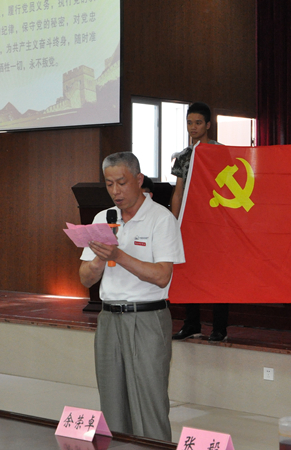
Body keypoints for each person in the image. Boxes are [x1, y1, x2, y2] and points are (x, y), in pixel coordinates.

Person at [79, 152, 184, 441]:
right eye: (109, 184)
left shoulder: (161, 219)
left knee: (149, 404)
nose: (116, 191)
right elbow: (85, 278)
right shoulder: (102, 219)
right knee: (111, 402)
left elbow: (162, 276)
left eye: (122, 183)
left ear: (138, 180)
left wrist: (119, 255)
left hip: (147, 318)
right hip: (109, 319)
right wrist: (100, 259)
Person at [170, 101, 229, 342]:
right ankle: (191, 324)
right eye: (189, 123)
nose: (193, 127)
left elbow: (229, 188)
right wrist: (174, 222)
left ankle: (219, 328)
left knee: (218, 274)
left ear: (208, 125)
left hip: (216, 223)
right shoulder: (184, 156)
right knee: (189, 272)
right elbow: (178, 192)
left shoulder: (220, 152)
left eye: (197, 123)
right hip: (190, 223)